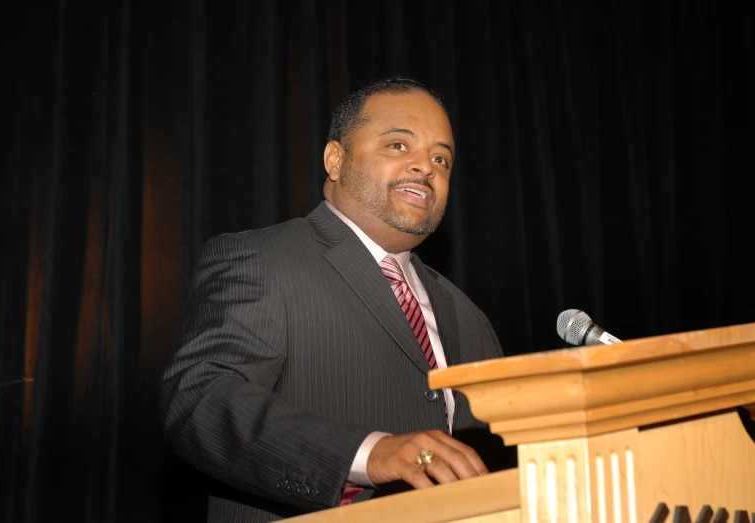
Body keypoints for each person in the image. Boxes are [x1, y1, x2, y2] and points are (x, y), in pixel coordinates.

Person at [159, 77, 508, 523]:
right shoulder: (262, 260)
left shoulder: (468, 315)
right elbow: (200, 400)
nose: (426, 167)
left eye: (441, 158)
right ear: (336, 159)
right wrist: (367, 453)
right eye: (399, 146)